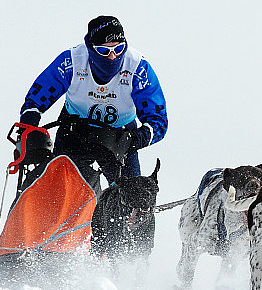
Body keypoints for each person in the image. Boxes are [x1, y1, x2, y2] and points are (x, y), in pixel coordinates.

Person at [18, 15, 167, 187]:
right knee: (59, 187)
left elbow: (158, 121)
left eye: (118, 49)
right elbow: (35, 102)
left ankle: (128, 212)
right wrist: (29, 128)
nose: (112, 56)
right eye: (104, 51)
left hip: (120, 137)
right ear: (90, 48)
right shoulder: (71, 61)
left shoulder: (138, 68)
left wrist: (136, 139)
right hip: (74, 132)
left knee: (131, 195)